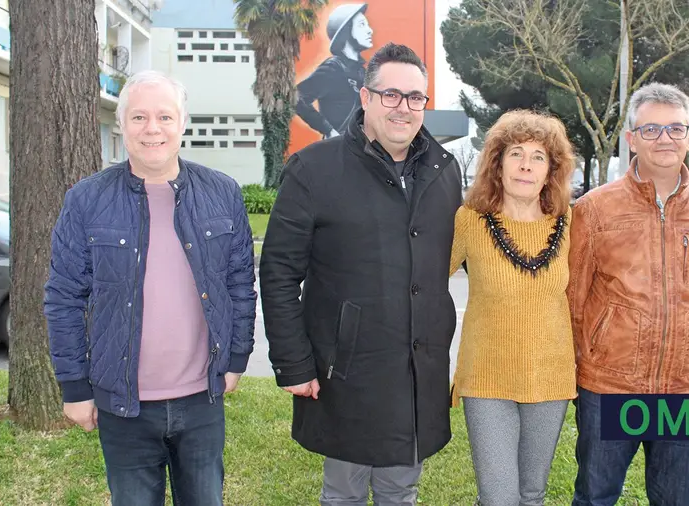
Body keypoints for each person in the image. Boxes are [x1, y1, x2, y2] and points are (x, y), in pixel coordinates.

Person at [258, 42, 463, 505]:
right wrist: (293, 362)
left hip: (416, 369)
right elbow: (278, 272)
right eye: (390, 94)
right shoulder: (314, 168)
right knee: (345, 491)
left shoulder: (443, 170)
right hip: (347, 369)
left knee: (400, 490)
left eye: (415, 98)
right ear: (365, 97)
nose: (403, 107)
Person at [43, 70, 257, 506]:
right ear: (121, 125)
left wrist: (237, 357)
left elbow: (240, 283)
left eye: (164, 116)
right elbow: (64, 296)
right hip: (123, 403)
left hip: (201, 399)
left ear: (182, 123)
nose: (152, 129)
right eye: (139, 117)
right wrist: (75, 387)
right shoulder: (86, 200)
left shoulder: (222, 193)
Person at [566, 82, 689, 506]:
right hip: (608, 387)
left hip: (684, 389)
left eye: (676, 129)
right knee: (595, 496)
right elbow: (575, 300)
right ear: (631, 139)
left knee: (675, 499)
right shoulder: (593, 210)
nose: (665, 139)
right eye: (652, 129)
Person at [449, 110, 578, 505]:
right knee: (499, 496)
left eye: (538, 156)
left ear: (550, 170)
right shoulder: (470, 220)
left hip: (550, 378)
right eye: (516, 153)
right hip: (487, 377)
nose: (526, 164)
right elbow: (423, 282)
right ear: (497, 164)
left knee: (532, 493)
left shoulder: (569, 221)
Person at [295, 3, 374, 138]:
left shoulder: (362, 73)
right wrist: (328, 131)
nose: (370, 30)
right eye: (362, 25)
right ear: (346, 31)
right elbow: (296, 98)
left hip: (360, 150)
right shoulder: (333, 69)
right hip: (337, 152)